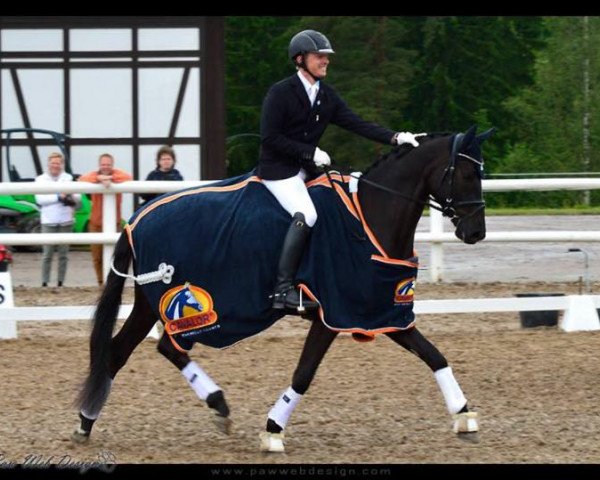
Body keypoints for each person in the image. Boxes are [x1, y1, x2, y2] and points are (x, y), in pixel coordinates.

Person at [259, 29, 422, 312]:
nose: (326, 61)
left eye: (326, 57)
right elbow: (270, 138)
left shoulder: (326, 96)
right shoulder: (281, 92)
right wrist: (310, 152)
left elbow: (357, 123)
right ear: (300, 59)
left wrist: (395, 138)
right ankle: (282, 290)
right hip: (279, 170)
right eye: (319, 56)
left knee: (340, 206)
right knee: (307, 214)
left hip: (307, 171)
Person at [78, 153, 132, 286]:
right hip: (95, 224)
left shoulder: (116, 175)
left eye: (108, 164)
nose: (106, 166)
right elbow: (81, 179)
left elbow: (128, 177)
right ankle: (101, 283)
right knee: (97, 258)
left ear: (112, 165)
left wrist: (110, 178)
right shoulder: (94, 176)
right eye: (103, 164)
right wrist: (99, 178)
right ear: (99, 165)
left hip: (115, 224)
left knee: (116, 256)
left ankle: (113, 283)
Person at [35, 152, 81, 287]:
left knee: (63, 254)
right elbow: (40, 200)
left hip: (65, 220)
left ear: (62, 164)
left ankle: (61, 282)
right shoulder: (40, 179)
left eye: (58, 163)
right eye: (53, 163)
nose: (55, 165)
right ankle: (45, 282)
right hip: (48, 220)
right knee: (47, 254)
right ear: (49, 164)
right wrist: (59, 197)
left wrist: (69, 197)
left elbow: (77, 198)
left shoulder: (68, 178)